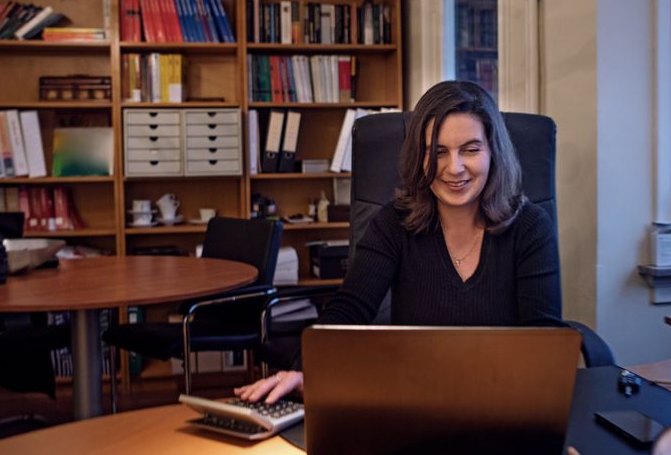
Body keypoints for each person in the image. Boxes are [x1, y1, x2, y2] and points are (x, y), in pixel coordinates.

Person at [236, 80, 563, 403]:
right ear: (419, 156)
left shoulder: (529, 227)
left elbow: (544, 342)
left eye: (470, 149)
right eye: (438, 152)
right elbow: (351, 307)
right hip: (414, 403)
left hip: (504, 406)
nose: (455, 167)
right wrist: (305, 370)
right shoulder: (395, 222)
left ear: (494, 153)